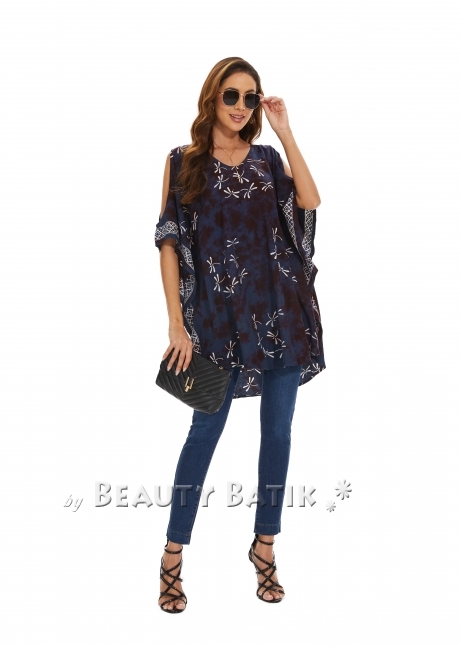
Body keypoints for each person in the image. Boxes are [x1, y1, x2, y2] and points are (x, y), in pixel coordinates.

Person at [154, 57, 325, 612]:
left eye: (251, 98)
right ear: (212, 97)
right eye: (232, 95)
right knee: (204, 433)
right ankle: (173, 554)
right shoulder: (182, 162)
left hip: (280, 315)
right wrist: (177, 324)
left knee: (278, 434)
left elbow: (309, 202)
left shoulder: (268, 158)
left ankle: (264, 546)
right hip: (215, 323)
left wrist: (286, 132)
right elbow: (169, 242)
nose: (241, 106)